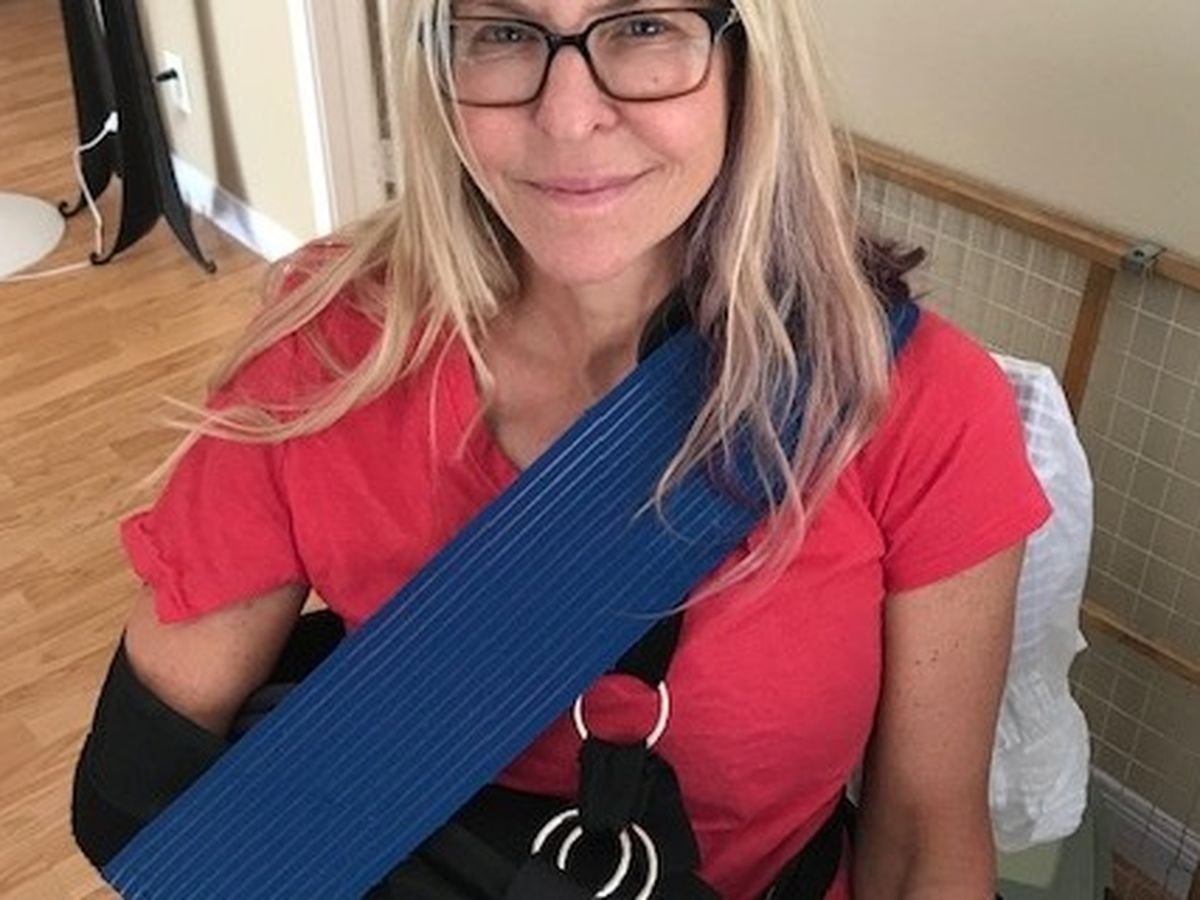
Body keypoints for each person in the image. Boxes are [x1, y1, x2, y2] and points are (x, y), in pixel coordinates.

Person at [71, 1, 1051, 897]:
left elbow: (922, 843)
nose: (570, 117)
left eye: (643, 26)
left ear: (747, 59)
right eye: (503, 32)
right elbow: (140, 793)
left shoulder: (917, 406)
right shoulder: (330, 347)